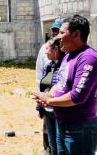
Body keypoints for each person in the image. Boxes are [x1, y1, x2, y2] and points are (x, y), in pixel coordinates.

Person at [34, 15, 97, 155]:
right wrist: (47, 95)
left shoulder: (88, 57)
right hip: (63, 122)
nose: (57, 37)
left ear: (76, 34)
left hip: (80, 127)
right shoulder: (68, 56)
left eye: (62, 33)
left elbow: (78, 96)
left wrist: (50, 101)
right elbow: (60, 83)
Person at [35, 17, 63, 154]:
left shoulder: (65, 64)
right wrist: (40, 104)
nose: (54, 33)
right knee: (51, 139)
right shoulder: (48, 65)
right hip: (47, 107)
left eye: (57, 31)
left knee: (59, 142)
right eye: (53, 31)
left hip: (59, 109)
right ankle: (47, 148)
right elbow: (40, 78)